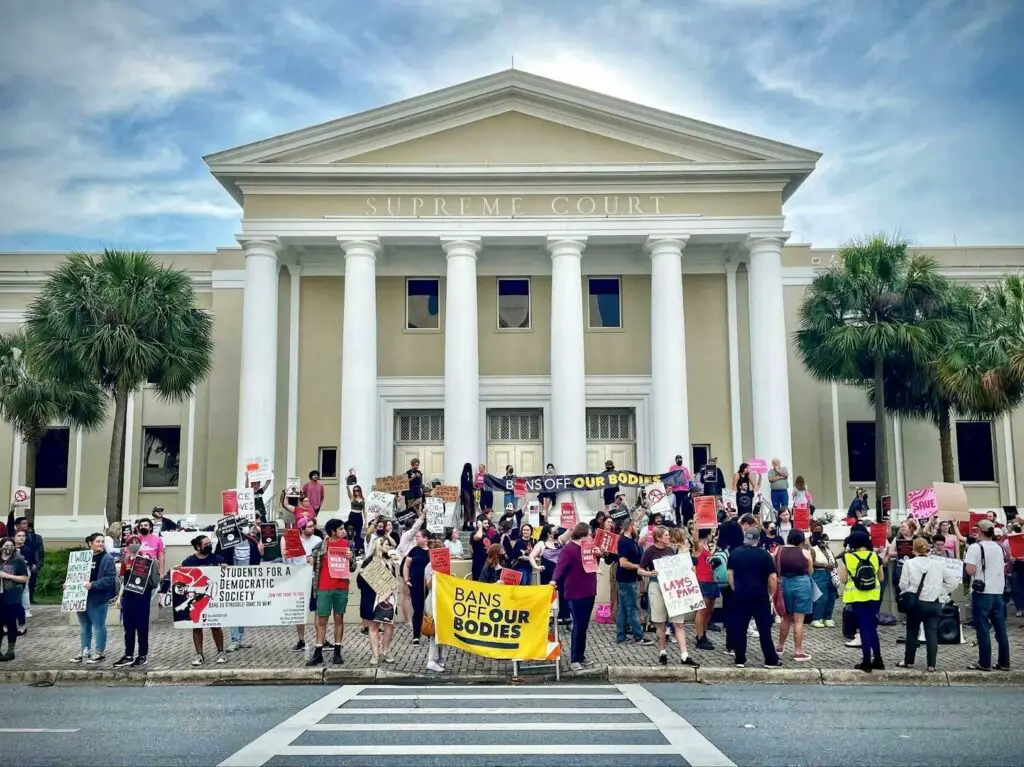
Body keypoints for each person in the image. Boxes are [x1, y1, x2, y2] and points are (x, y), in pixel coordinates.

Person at [639, 526, 699, 667]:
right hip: (657, 587)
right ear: (659, 538)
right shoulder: (650, 551)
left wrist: (689, 570)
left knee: (678, 622)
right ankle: (662, 651)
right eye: (666, 535)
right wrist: (650, 573)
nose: (668, 537)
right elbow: (640, 569)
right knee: (660, 622)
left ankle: (684, 655)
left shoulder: (671, 550)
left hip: (672, 587)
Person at [897, 537, 958, 672]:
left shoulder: (909, 563)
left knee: (912, 632)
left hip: (915, 603)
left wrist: (910, 590)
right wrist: (942, 591)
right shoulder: (938, 563)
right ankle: (931, 664)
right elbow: (953, 581)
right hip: (934, 602)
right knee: (931, 633)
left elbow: (903, 584)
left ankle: (909, 661)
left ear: (914, 549)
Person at [726, 528, 782, 668]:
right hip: (760, 595)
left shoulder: (735, 553)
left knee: (740, 628)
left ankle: (740, 659)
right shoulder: (764, 555)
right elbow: (773, 577)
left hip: (740, 595)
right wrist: (771, 593)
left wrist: (734, 589)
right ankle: (770, 659)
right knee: (764, 629)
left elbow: (730, 574)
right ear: (758, 540)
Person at [552, 522, 600, 671]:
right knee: (578, 626)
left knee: (584, 626)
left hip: (589, 590)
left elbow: (592, 565)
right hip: (575, 592)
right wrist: (553, 581)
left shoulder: (588, 548)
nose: (591, 537)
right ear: (583, 534)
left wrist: (597, 556)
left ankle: (581, 656)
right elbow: (560, 567)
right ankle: (574, 659)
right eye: (590, 534)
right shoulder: (569, 549)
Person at [964, 520, 1010, 671]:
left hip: (982, 593)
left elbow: (970, 570)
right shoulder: (999, 547)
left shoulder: (975, 547)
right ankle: (1004, 662)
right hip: (998, 592)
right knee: (1000, 629)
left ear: (980, 532)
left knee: (983, 628)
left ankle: (984, 662)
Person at [307, 519, 352, 666]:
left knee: (339, 618)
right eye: (340, 529)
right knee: (322, 620)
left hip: (341, 586)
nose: (343, 531)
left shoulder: (347, 545)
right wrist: (311, 559)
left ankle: (337, 652)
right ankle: (318, 651)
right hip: (324, 587)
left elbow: (352, 567)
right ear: (333, 531)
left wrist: (351, 559)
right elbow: (311, 559)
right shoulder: (322, 545)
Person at [839, 528, 885, 672]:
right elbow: (881, 577)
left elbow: (843, 579)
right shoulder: (875, 556)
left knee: (863, 628)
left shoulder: (848, 557)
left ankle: (866, 661)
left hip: (857, 597)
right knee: (872, 628)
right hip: (874, 596)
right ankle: (878, 659)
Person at [113, 534, 159, 668]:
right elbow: (122, 581)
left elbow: (154, 580)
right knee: (129, 629)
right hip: (128, 597)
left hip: (142, 598)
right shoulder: (125, 561)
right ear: (127, 545)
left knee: (142, 628)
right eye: (131, 542)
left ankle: (142, 655)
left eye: (137, 542)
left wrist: (148, 563)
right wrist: (119, 597)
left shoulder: (146, 559)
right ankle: (128, 655)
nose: (134, 544)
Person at [180, 535, 227, 666]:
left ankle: (220, 652)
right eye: (205, 544)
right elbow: (183, 576)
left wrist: (225, 568)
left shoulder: (217, 559)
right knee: (197, 627)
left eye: (209, 543)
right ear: (198, 547)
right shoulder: (189, 561)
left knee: (215, 626)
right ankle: (199, 655)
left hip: (212, 600)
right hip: (196, 601)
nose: (209, 545)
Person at [217, 520, 264, 652]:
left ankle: (240, 638)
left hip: (247, 581)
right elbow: (218, 557)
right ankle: (234, 639)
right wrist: (223, 563)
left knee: (242, 610)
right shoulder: (226, 542)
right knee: (233, 610)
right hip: (231, 581)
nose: (244, 529)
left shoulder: (251, 541)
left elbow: (256, 561)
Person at [71, 533, 117, 664]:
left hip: (98, 597)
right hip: (81, 597)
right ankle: (85, 650)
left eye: (102, 541)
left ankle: (99, 652)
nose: (101, 544)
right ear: (90, 543)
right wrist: (69, 585)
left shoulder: (107, 558)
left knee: (98, 625)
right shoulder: (82, 557)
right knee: (84, 626)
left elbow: (110, 579)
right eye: (98, 541)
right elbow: (74, 573)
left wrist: (93, 585)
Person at [355, 536, 398, 666]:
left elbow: (394, 581)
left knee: (389, 625)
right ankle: (375, 654)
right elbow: (359, 582)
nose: (388, 547)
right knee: (373, 627)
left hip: (387, 599)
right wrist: (365, 576)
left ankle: (386, 650)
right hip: (371, 599)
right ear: (379, 546)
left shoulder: (389, 562)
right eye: (386, 545)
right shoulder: (368, 561)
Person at [774, 529, 813, 662]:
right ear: (802, 540)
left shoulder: (779, 551)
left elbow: (776, 569)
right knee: (799, 619)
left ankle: (779, 647)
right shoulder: (806, 552)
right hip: (802, 584)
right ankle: (798, 651)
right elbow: (810, 571)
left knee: (786, 617)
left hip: (785, 584)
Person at [613, 518, 653, 646]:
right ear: (630, 526)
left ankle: (621, 636)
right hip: (626, 580)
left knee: (623, 609)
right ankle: (638, 636)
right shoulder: (624, 542)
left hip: (627, 579)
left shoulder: (631, 541)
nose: (637, 527)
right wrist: (638, 567)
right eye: (635, 525)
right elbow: (623, 563)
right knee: (632, 608)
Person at [285, 517, 322, 653]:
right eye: (309, 526)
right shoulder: (294, 541)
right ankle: (301, 639)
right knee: (299, 612)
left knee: (318, 610)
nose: (313, 528)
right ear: (302, 529)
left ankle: (320, 639)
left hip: (314, 580)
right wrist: (286, 555)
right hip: (299, 580)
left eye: (313, 525)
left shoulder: (318, 540)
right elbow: (289, 563)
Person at [0, 536, 29, 661]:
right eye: (6, 545)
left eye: (11, 546)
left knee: (11, 623)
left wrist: (7, 575)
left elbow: (24, 578)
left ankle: (10, 651)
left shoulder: (18, 559)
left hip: (12, 595)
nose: (9, 548)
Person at [692, 527, 719, 650]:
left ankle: (703, 632)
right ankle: (699, 636)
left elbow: (708, 558)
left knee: (709, 610)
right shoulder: (697, 547)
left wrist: (715, 546)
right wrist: (696, 522)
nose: (712, 535)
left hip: (711, 579)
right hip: (702, 580)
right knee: (701, 610)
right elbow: (695, 539)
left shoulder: (707, 546)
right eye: (711, 533)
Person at [403, 528, 431, 645]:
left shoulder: (433, 551)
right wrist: (406, 579)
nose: (416, 538)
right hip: (416, 584)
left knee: (430, 609)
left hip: (429, 584)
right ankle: (416, 635)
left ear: (425, 538)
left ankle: (431, 632)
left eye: (418, 536)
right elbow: (406, 565)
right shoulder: (414, 550)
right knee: (418, 610)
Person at [809, 528, 839, 628]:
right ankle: (817, 618)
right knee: (822, 597)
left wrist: (834, 564)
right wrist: (825, 565)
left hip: (831, 575)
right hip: (819, 575)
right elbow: (811, 563)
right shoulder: (813, 549)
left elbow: (835, 561)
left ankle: (828, 617)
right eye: (824, 541)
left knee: (831, 596)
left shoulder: (829, 550)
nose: (826, 543)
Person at [471, 513, 497, 581]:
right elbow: (479, 536)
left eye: (487, 523)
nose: (488, 525)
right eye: (485, 523)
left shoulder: (487, 535)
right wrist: (479, 527)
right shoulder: (474, 533)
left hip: (487, 564)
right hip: (478, 564)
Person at [459, 462, 475, 530]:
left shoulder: (465, 475)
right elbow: (467, 485)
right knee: (469, 508)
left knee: (468, 508)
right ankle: (469, 523)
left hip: (468, 492)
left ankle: (466, 523)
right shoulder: (466, 475)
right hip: (467, 492)